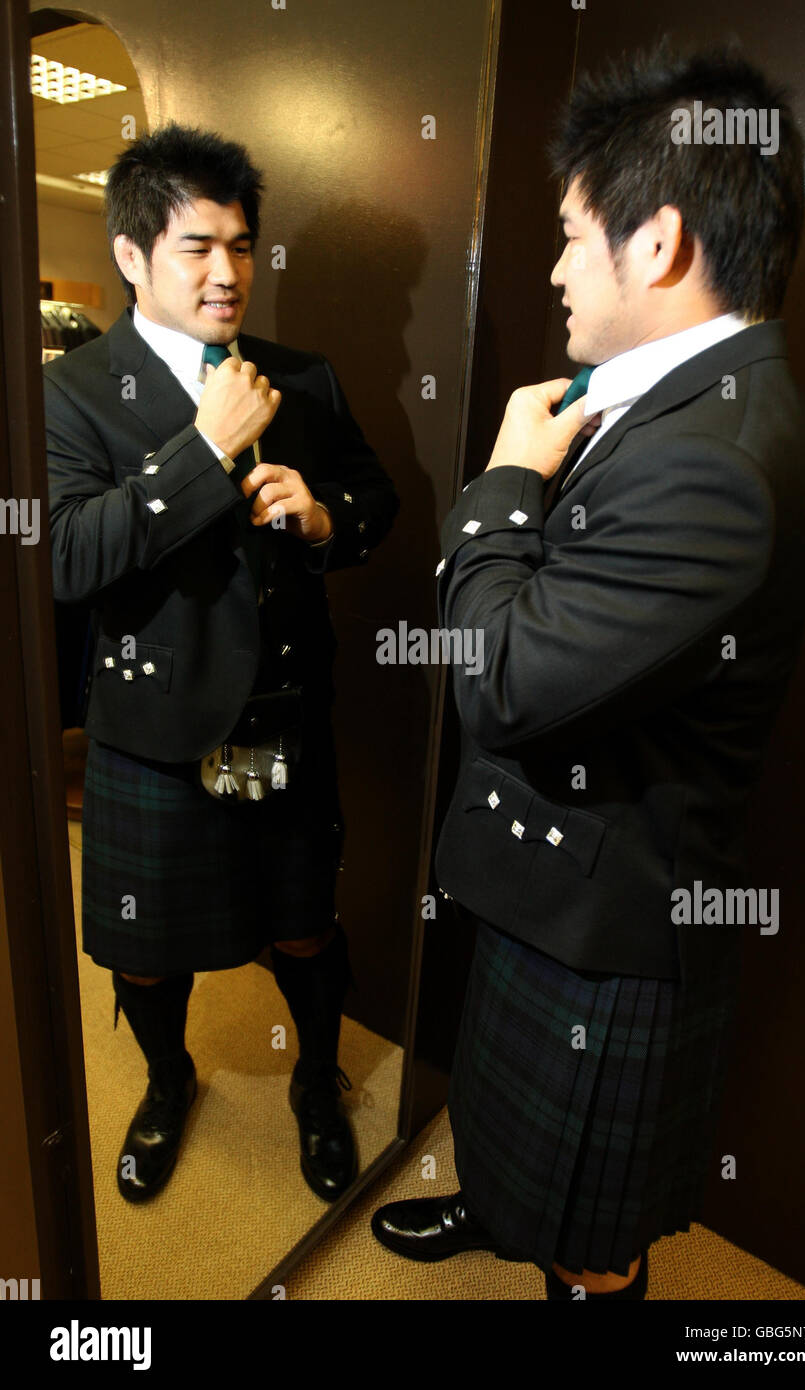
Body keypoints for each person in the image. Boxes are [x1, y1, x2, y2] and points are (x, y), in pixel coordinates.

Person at [371, 42, 805, 1299]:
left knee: (588, 1230)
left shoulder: (717, 459)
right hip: (552, 882)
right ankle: (498, 1200)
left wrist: (504, 481)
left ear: (662, 240)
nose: (557, 266)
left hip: (606, 928)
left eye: (575, 235)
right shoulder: (677, 398)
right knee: (520, 1157)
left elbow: (500, 677)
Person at [46, 124, 398, 1205]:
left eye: (241, 246)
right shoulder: (75, 392)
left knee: (303, 925)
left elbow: (379, 508)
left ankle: (313, 1089)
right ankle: (167, 1079)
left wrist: (327, 518)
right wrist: (200, 449)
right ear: (131, 255)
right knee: (144, 953)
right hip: (151, 732)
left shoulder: (304, 375)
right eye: (197, 247)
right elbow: (68, 557)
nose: (227, 273)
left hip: (283, 712)